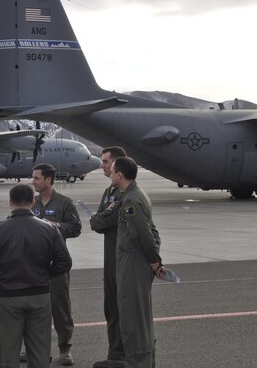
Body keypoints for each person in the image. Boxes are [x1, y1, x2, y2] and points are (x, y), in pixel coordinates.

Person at [0, 184, 72, 368]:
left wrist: (1, 271)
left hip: (8, 296)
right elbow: (64, 262)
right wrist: (45, 274)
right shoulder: (50, 229)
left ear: (10, 203)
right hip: (40, 294)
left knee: (7, 351)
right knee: (39, 350)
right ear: (33, 202)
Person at [24, 163, 81, 366]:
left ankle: (65, 348)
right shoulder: (31, 203)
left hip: (56, 266)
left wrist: (54, 226)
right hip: (34, 266)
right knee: (33, 309)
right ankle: (32, 347)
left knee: (60, 307)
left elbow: (76, 228)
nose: (33, 181)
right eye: (33, 177)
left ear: (48, 180)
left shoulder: (65, 203)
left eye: (37, 178)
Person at [111, 157, 165, 368]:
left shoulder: (130, 201)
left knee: (132, 319)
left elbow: (142, 234)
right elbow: (153, 232)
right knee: (140, 316)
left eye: (112, 171)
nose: (110, 174)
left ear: (120, 175)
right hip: (138, 260)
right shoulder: (138, 194)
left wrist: (155, 261)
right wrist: (154, 258)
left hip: (133, 263)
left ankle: (139, 363)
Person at [89, 147, 128, 368]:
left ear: (116, 165)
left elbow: (102, 221)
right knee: (111, 307)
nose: (102, 165)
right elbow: (99, 220)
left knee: (122, 308)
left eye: (105, 162)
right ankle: (115, 354)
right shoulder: (109, 191)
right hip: (110, 257)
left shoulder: (123, 193)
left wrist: (99, 218)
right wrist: (99, 218)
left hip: (121, 259)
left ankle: (124, 354)